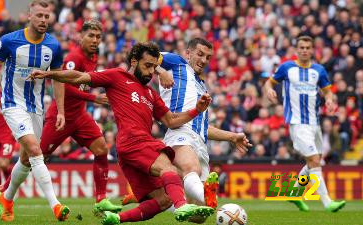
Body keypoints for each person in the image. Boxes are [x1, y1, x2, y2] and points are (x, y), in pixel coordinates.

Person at [28, 42, 214, 225]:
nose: (151, 72)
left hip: (129, 152)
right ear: (134, 61)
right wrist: (48, 74)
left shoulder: (150, 93)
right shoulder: (117, 76)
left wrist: (197, 110)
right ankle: (182, 206)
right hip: (134, 141)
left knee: (164, 200)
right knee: (169, 168)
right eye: (147, 66)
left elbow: (171, 121)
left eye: (153, 68)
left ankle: (116, 219)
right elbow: (79, 77)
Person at [0, 19, 122, 213]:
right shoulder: (74, 57)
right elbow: (64, 84)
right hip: (60, 117)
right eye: (91, 36)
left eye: (98, 37)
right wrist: (94, 98)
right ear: (81, 36)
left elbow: (87, 82)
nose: (95, 40)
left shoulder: (94, 56)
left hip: (80, 116)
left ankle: (100, 200)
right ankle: (4, 190)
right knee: (32, 157)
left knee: (100, 149)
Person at [0, 0, 69, 222]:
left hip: (36, 107)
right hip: (11, 103)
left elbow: (58, 78)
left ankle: (6, 198)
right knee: (35, 149)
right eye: (39, 15)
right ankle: (56, 205)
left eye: (47, 17)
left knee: (27, 159)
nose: (43, 20)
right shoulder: (10, 41)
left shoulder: (54, 46)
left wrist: (61, 111)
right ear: (29, 16)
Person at [155, 38, 252, 223]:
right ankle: (201, 196)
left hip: (199, 141)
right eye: (200, 54)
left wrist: (232, 137)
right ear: (188, 53)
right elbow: (140, 54)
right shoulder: (176, 63)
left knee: (199, 217)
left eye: (208, 57)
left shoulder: (201, 86)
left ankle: (170, 200)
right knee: (192, 169)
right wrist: (160, 70)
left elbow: (204, 127)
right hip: (179, 131)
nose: (204, 60)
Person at [263, 35, 346, 212]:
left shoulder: (319, 70)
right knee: (315, 160)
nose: (304, 50)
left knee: (313, 162)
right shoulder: (287, 67)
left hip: (314, 124)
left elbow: (327, 92)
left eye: (308, 47)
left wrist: (330, 100)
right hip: (297, 123)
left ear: (312, 50)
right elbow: (269, 82)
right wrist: (269, 89)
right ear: (296, 49)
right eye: (301, 47)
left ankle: (294, 193)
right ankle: (328, 203)